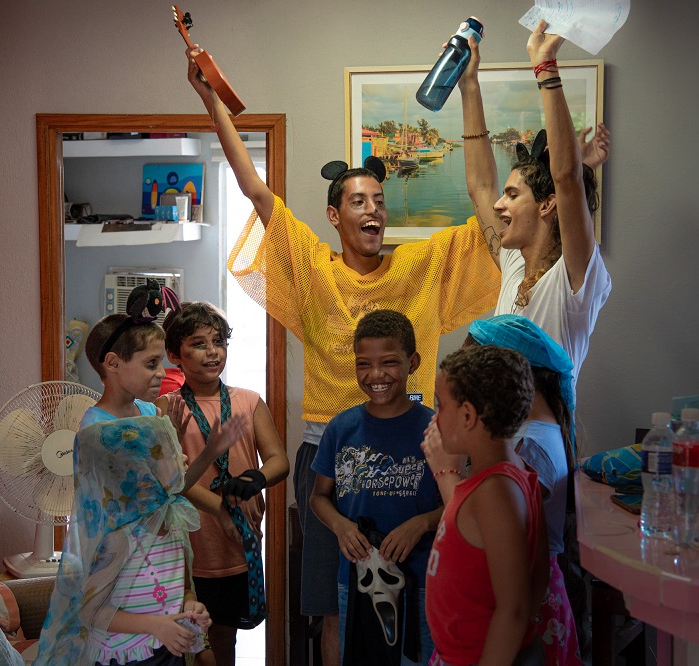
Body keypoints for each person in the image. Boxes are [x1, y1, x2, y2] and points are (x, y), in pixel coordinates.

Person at [185, 45, 502, 665]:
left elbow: (487, 220)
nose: (373, 210)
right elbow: (254, 188)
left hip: (416, 448)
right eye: (358, 202)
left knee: (422, 592)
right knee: (334, 603)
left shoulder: (422, 265)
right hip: (328, 453)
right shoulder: (312, 268)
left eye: (379, 201)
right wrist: (209, 99)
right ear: (334, 216)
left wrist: (470, 92)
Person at [37, 282, 231, 666]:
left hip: (164, 559)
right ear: (112, 365)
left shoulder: (148, 413)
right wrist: (197, 446)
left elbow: (173, 486)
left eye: (162, 361)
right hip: (123, 570)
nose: (163, 373)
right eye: (151, 363)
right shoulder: (98, 432)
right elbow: (166, 489)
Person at [458, 20, 611, 389]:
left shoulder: (574, 280)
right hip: (496, 443)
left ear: (546, 206)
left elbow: (567, 180)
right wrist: (469, 86)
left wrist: (545, 66)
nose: (497, 204)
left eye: (512, 195)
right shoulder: (514, 263)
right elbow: (480, 186)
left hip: (542, 444)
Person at [155, 301, 289, 666]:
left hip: (239, 542)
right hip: (192, 544)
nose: (212, 352)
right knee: (190, 640)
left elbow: (279, 460)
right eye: (199, 344)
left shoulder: (248, 401)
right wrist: (219, 509)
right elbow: (169, 482)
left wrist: (256, 478)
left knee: (224, 635)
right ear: (174, 354)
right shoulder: (166, 408)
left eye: (218, 342)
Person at [309, 309, 442, 665]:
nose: (376, 375)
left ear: (412, 363)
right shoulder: (341, 428)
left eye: (389, 362)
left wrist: (422, 523)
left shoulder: (436, 429)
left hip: (422, 582)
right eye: (363, 364)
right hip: (356, 581)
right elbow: (319, 497)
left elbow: (461, 503)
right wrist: (340, 526)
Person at [463, 314, 582, 664]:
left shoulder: (529, 446)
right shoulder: (531, 435)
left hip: (528, 602)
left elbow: (489, 520)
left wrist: (447, 467)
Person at [424, 345, 549, 666]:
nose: (436, 417)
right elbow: (536, 576)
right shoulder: (510, 474)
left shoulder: (496, 493)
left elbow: (515, 608)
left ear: (467, 415)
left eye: (441, 406)